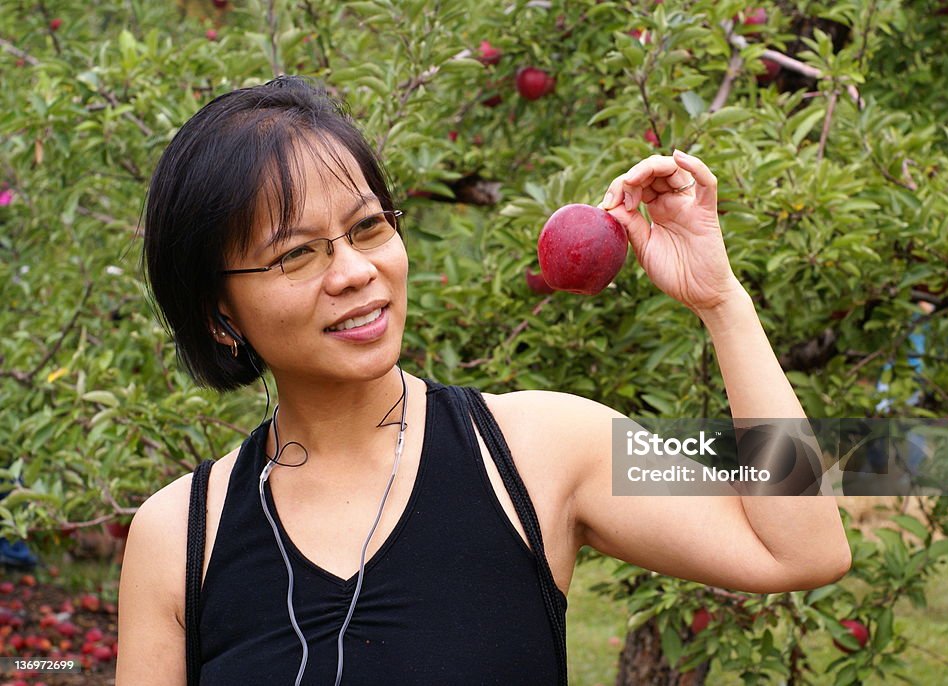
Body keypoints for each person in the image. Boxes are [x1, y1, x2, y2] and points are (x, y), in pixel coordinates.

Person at [116, 75, 851, 686]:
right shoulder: (180, 535)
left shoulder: (542, 448)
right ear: (220, 316)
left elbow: (801, 547)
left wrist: (721, 301)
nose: (354, 273)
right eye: (295, 255)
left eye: (369, 228)